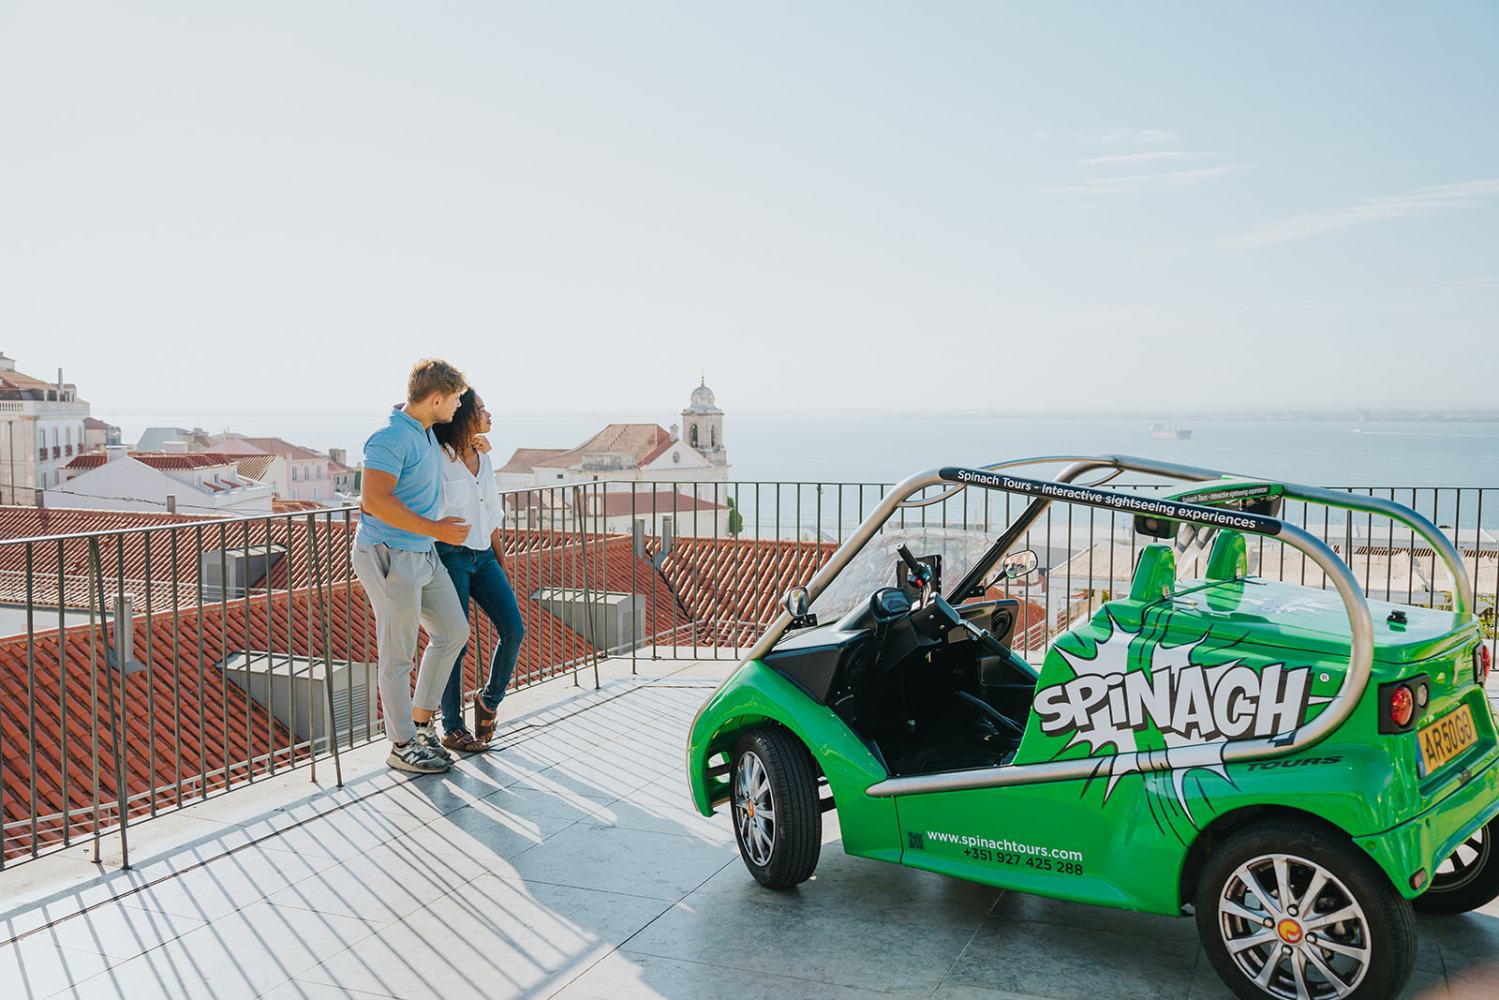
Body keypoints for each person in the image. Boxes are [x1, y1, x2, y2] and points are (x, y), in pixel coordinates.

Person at [351, 359, 474, 774]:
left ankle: (420, 726)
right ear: (436, 399)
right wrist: (436, 528)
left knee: (454, 631)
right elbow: (375, 501)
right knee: (397, 655)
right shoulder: (388, 438)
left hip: (423, 552)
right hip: (389, 555)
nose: (460, 406)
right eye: (456, 400)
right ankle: (401, 744)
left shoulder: (422, 431)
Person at [432, 389, 526, 752]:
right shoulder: (438, 457)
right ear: (463, 414)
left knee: (513, 629)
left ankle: (489, 701)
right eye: (483, 409)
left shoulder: (485, 458)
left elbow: (491, 514)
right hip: (450, 555)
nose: (490, 415)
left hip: (484, 555)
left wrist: (501, 561)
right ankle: (451, 726)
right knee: (455, 641)